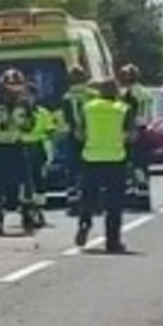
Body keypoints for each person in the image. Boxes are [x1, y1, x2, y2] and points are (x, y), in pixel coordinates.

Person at [75, 77, 133, 252]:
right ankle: (112, 242)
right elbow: (131, 135)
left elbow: (79, 133)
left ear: (99, 92)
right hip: (115, 159)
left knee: (88, 196)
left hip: (91, 157)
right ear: (116, 92)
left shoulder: (88, 108)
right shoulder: (123, 110)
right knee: (114, 204)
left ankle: (85, 222)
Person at [0, 68, 37, 236]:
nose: (14, 90)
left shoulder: (25, 103)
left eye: (17, 86)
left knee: (26, 182)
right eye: (10, 86)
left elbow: (30, 123)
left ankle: (27, 215)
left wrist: (25, 127)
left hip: (17, 146)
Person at [55, 65, 97, 214]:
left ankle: (73, 202)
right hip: (92, 134)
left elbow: (67, 118)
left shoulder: (67, 97)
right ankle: (93, 201)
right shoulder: (93, 94)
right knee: (91, 168)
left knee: (73, 169)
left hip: (73, 134)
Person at [116, 63, 152, 205]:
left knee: (129, 162)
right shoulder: (146, 92)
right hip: (145, 128)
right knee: (142, 162)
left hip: (132, 130)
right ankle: (143, 193)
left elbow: (127, 113)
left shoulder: (127, 94)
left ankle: (132, 194)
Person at [22, 82, 56, 228]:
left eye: (30, 95)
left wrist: (49, 152)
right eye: (24, 95)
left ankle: (39, 210)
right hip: (21, 148)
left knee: (39, 181)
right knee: (24, 182)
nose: (27, 98)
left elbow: (49, 131)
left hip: (37, 148)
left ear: (35, 97)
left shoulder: (42, 112)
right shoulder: (17, 112)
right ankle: (26, 211)